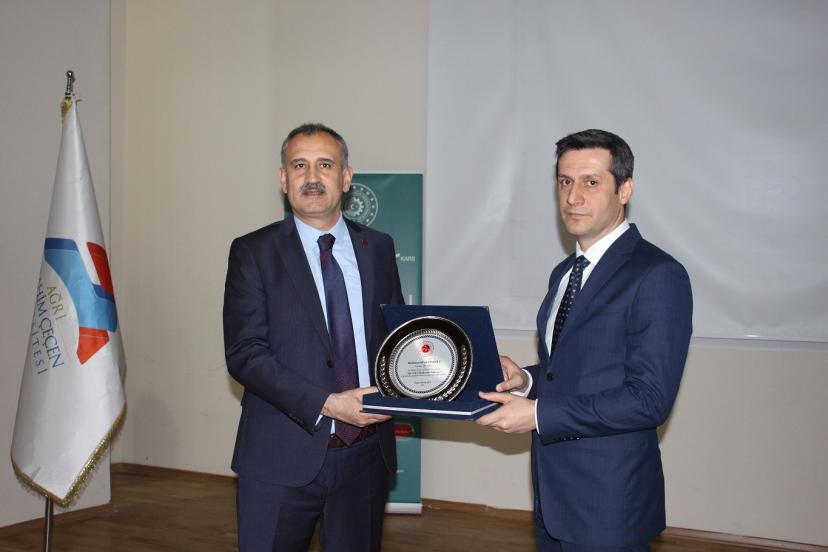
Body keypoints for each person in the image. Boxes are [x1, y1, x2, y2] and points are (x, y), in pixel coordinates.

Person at [477, 129, 693, 551]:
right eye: (564, 181)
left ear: (624, 189)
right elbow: (570, 371)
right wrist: (526, 380)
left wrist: (538, 414)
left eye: (591, 182)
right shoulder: (564, 273)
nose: (573, 196)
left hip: (609, 503)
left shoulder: (658, 275)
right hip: (552, 496)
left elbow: (649, 399)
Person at [223, 122, 403, 551]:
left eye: (325, 164)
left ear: (346, 177)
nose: (312, 177)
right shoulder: (253, 251)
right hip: (279, 458)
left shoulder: (378, 247)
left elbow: (397, 339)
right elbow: (245, 354)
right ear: (283, 178)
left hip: (366, 456)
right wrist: (328, 403)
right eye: (299, 165)